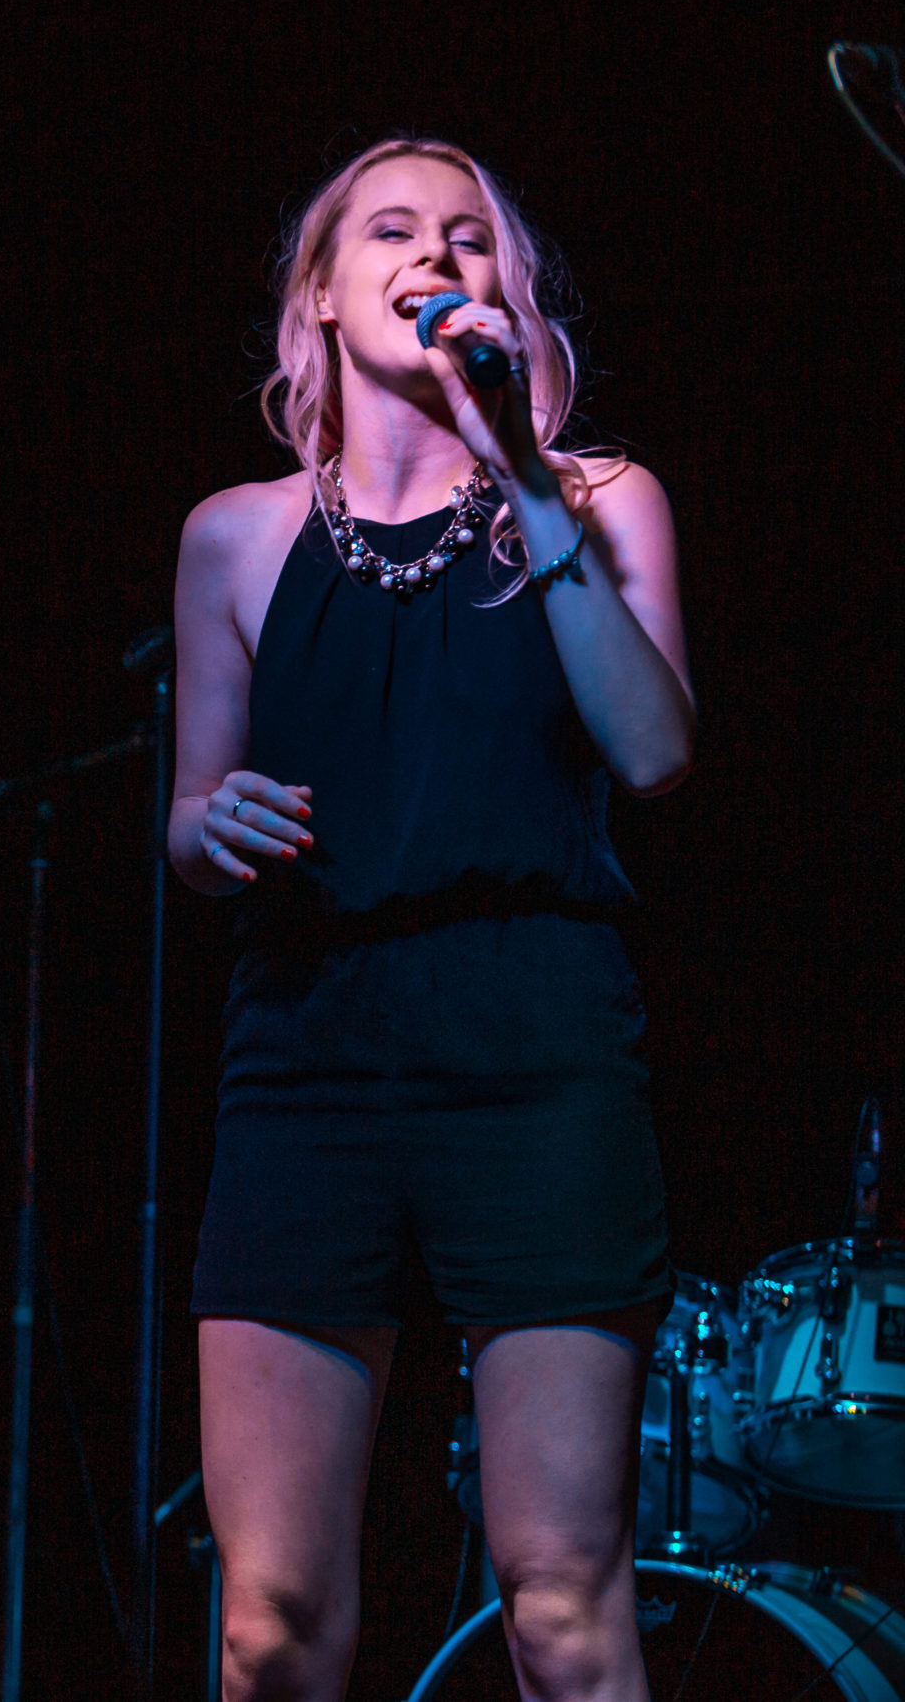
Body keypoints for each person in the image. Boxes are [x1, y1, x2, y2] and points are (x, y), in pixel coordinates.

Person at [169, 137, 693, 1701]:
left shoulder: (601, 499)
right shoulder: (234, 534)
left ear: (505, 296)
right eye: (392, 231)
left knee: (562, 1602)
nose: (435, 256)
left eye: (469, 238)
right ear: (325, 296)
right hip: (309, 1047)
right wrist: (211, 824)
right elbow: (189, 818)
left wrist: (520, 474)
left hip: (537, 1047)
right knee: (270, 1618)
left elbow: (653, 747)